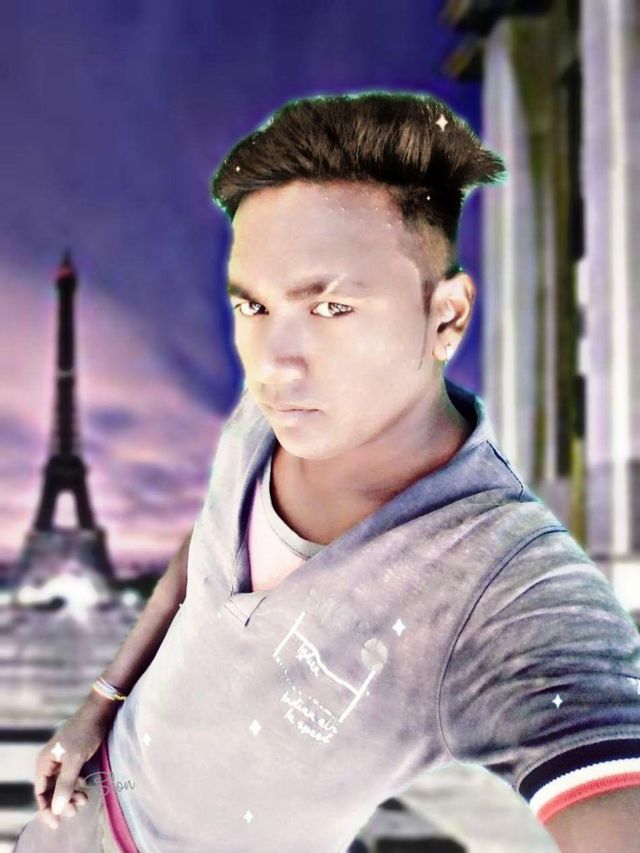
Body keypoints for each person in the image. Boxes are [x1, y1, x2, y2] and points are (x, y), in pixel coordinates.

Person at [14, 90, 640, 853]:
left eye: (332, 307)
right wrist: (100, 703)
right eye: (253, 307)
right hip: (78, 809)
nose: (274, 365)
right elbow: (209, 548)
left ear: (446, 316)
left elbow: (602, 764)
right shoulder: (268, 414)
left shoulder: (506, 584)